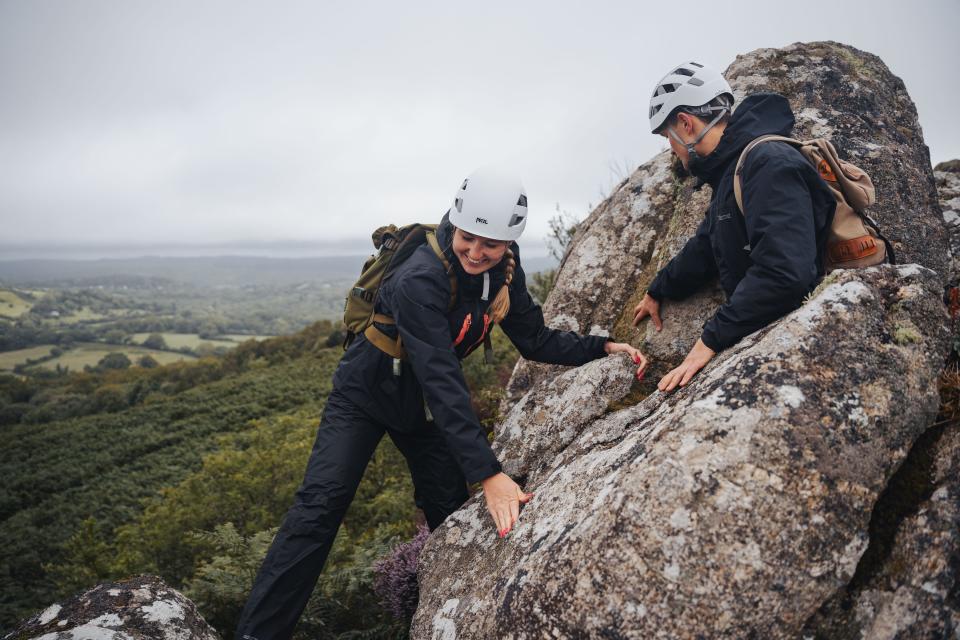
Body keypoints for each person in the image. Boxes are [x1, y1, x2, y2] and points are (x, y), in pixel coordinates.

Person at [236, 168, 648, 639]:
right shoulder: (420, 278)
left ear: (508, 243)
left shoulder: (504, 273)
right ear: (456, 221)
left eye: (489, 245)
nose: (475, 253)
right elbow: (442, 379)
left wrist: (602, 347)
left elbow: (533, 338)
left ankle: (438, 617)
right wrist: (490, 475)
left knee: (450, 508)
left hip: (421, 408)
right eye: (469, 238)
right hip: (365, 394)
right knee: (319, 509)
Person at [633, 62, 835, 392]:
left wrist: (709, 342)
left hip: (815, 340)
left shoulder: (768, 162)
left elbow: (785, 273)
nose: (670, 148)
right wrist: (659, 289)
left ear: (685, 124)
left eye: (667, 137)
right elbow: (707, 244)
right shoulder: (732, 169)